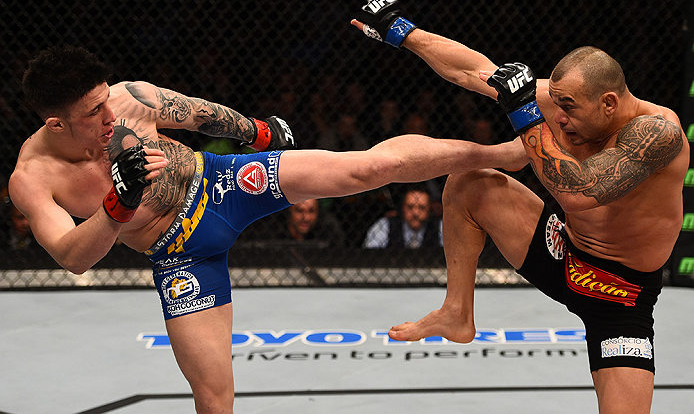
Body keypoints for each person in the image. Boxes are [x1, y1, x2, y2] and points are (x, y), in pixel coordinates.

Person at [9, 45, 526, 414]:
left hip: (221, 184)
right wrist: (118, 205)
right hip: (181, 259)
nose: (108, 113)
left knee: (365, 168)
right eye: (92, 111)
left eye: (104, 99)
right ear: (56, 124)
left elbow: (200, 116)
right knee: (215, 400)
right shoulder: (32, 178)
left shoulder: (128, 98)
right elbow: (73, 255)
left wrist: (258, 132)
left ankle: (500, 154)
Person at [352, 0, 689, 414]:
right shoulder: (570, 103)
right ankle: (457, 313)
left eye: (569, 108)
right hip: (562, 250)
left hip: (621, 296)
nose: (559, 117)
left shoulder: (659, 134)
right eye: (556, 104)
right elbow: (472, 70)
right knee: (469, 183)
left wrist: (526, 116)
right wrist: (400, 31)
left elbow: (577, 193)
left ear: (609, 103)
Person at [363, 183, 442, 248]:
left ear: (430, 208)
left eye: (422, 208)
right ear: (403, 207)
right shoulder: (385, 225)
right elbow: (369, 252)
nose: (415, 213)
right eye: (410, 207)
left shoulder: (440, 227)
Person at [241, 198, 346, 247]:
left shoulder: (328, 228)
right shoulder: (270, 230)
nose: (306, 218)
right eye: (299, 211)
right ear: (289, 210)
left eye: (311, 211)